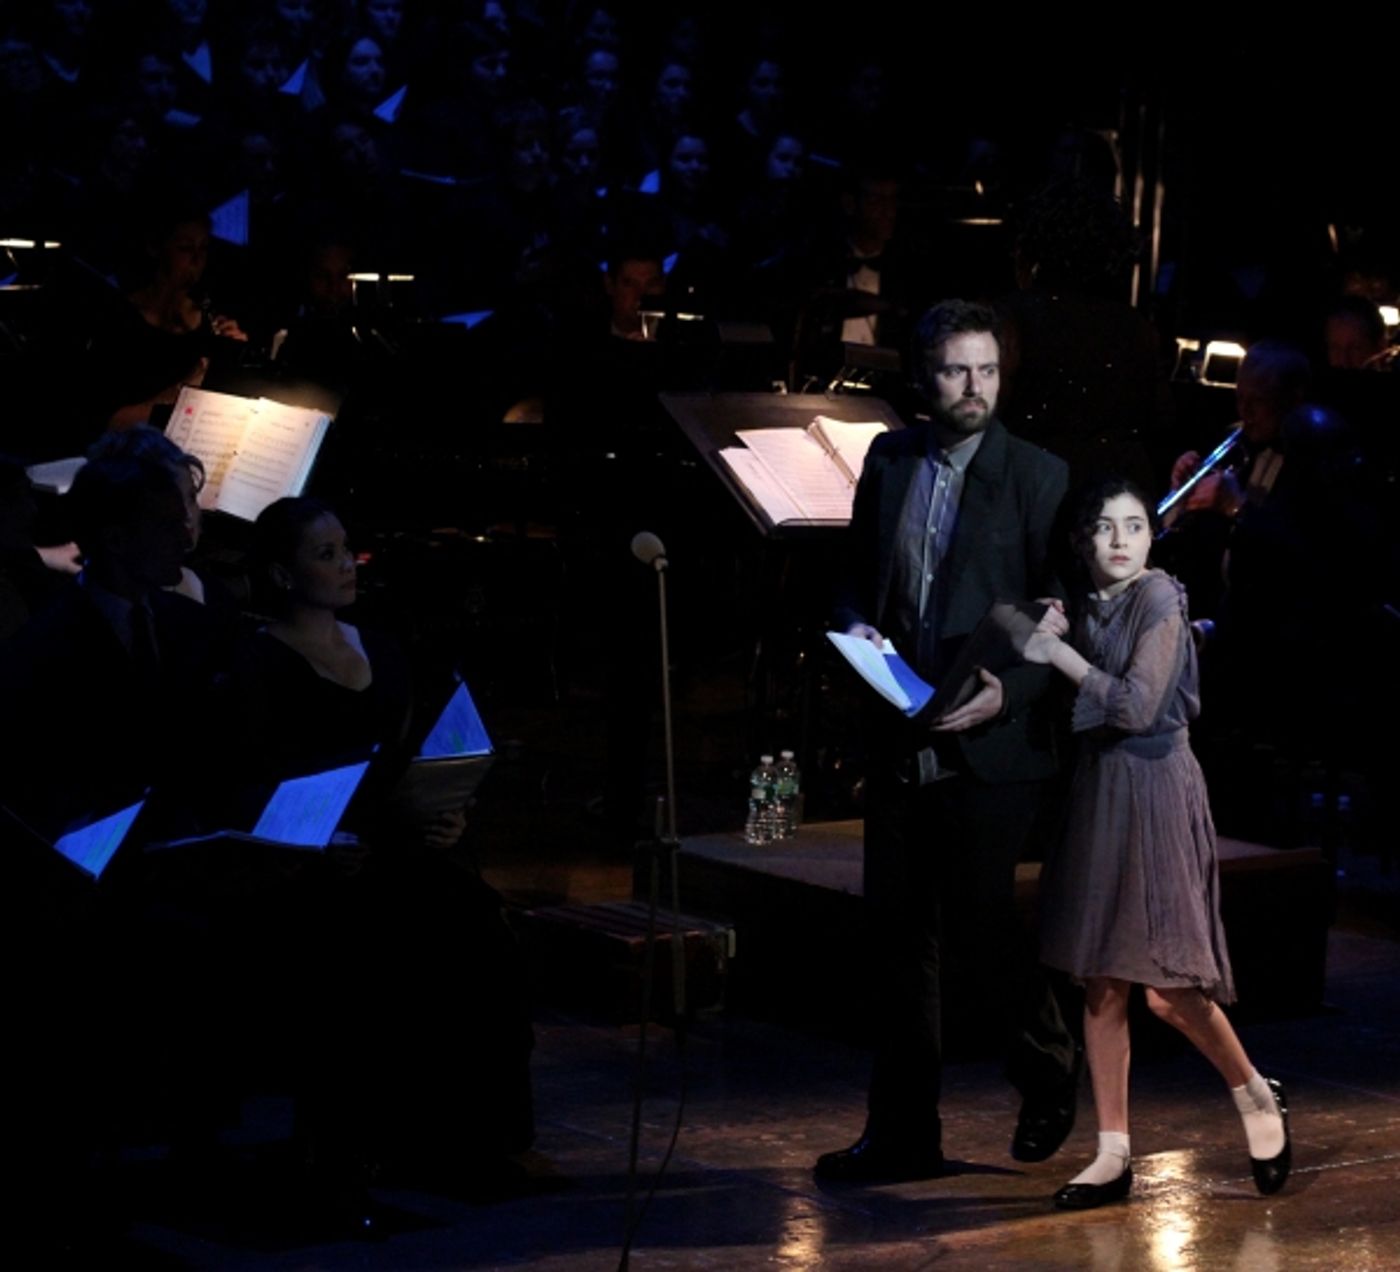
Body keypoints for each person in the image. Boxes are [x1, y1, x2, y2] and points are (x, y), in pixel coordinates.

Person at [818, 299, 1078, 1183]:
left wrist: (1012, 691)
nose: (975, 390)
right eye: (957, 371)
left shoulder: (1039, 474)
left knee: (982, 930)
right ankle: (900, 1132)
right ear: (923, 378)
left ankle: (1047, 1071)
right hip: (901, 727)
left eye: (989, 370)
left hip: (992, 741)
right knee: (899, 938)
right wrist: (859, 642)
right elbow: (856, 583)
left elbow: (1065, 617)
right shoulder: (891, 459)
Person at [1019, 477, 1291, 1208]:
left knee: (1170, 989)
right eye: (1106, 529)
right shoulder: (1081, 603)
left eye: (1135, 526)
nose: (1120, 542)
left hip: (1157, 787)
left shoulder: (1161, 597)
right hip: (1100, 790)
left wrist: (1060, 656)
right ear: (1084, 540)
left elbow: (1138, 706)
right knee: (1103, 979)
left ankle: (1255, 1094)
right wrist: (1046, 632)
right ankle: (1112, 1152)